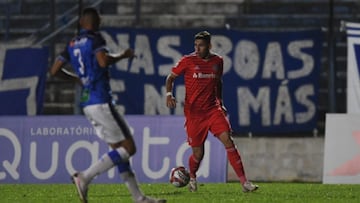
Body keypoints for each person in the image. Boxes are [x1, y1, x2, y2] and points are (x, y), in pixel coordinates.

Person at [49, 7, 166, 203]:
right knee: (129, 148)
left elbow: (54, 70)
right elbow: (102, 61)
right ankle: (84, 176)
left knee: (119, 151)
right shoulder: (96, 39)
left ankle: (139, 198)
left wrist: (78, 79)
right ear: (98, 22)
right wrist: (123, 55)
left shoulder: (71, 44)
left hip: (87, 102)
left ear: (80, 23)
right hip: (101, 99)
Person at [165, 31, 258, 193]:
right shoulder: (188, 61)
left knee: (228, 141)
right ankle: (192, 177)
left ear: (209, 45)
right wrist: (169, 94)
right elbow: (170, 78)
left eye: (201, 45)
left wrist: (220, 103)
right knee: (198, 154)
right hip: (194, 114)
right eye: (196, 45)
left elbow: (218, 82)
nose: (197, 48)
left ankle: (244, 183)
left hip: (212, 110)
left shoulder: (218, 61)